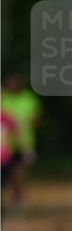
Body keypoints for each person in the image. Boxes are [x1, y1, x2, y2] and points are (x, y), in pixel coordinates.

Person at [0, 71, 41, 208]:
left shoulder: (29, 99)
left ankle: (19, 198)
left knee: (19, 173)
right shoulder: (4, 99)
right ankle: (14, 198)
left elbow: (36, 119)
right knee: (10, 175)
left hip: (24, 142)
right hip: (6, 146)